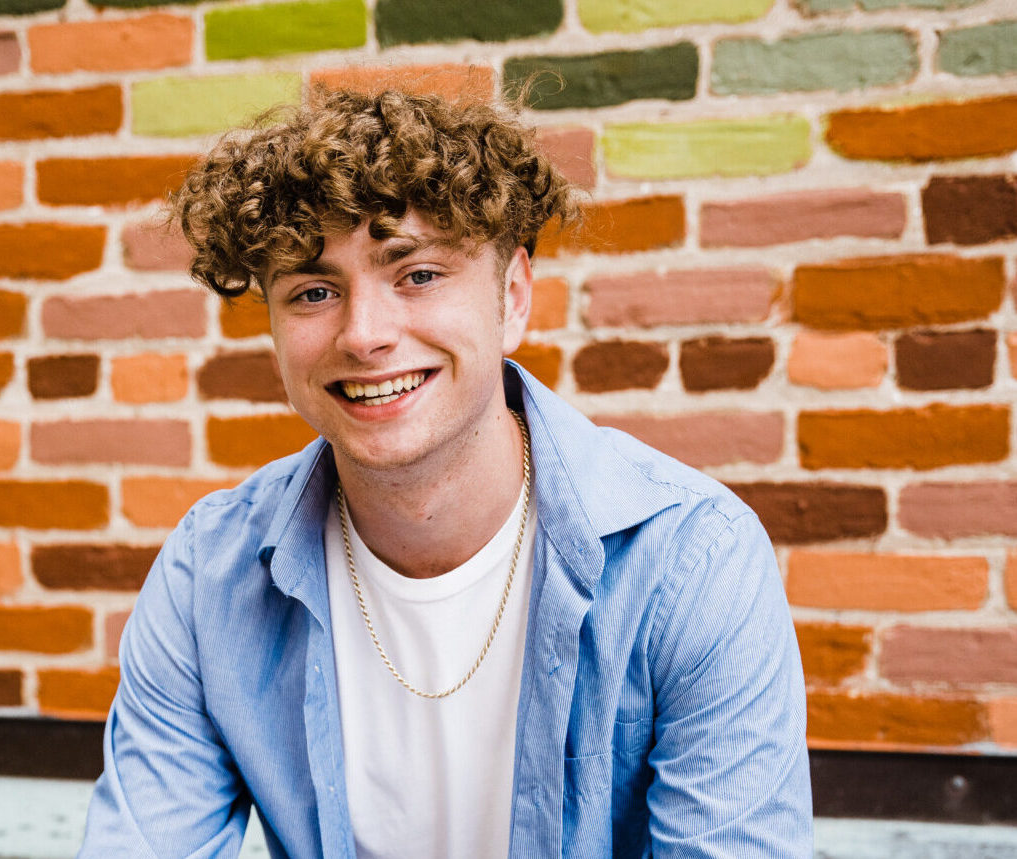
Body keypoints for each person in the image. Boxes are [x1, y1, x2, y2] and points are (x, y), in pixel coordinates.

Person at [78, 88, 812, 858]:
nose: (364, 335)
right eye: (314, 292)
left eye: (419, 274)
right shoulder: (210, 577)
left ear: (513, 297)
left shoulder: (689, 561)